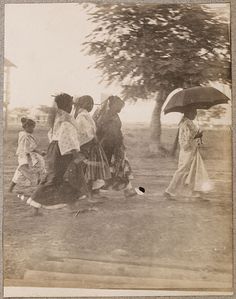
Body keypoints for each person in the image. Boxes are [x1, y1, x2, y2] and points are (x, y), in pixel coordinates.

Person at [24, 93, 88, 215]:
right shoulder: (65, 121)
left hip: (57, 150)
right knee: (56, 178)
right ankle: (35, 206)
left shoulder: (58, 118)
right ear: (66, 105)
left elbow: (52, 136)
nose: (72, 107)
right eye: (70, 104)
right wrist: (76, 154)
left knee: (64, 178)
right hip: (62, 152)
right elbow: (68, 139)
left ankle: (71, 206)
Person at [68, 95, 111, 202]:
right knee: (87, 171)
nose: (91, 106)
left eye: (92, 103)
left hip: (92, 146)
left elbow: (91, 131)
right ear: (84, 104)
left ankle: (93, 193)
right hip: (86, 147)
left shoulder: (86, 115)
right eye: (89, 103)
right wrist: (93, 138)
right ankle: (88, 195)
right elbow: (84, 133)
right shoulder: (81, 117)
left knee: (92, 171)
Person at [165, 107, 213, 199]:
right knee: (183, 170)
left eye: (195, 113)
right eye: (193, 113)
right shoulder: (186, 123)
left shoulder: (187, 122)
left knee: (193, 171)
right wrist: (197, 135)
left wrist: (198, 135)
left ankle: (194, 193)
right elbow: (186, 139)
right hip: (188, 150)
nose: (195, 115)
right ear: (188, 113)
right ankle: (170, 191)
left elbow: (190, 137)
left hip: (191, 150)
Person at [93, 95, 136, 198]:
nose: (121, 108)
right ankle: (96, 191)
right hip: (107, 147)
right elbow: (100, 131)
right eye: (119, 106)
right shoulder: (105, 116)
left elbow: (116, 131)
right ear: (112, 105)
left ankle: (127, 189)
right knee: (105, 169)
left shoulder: (115, 115)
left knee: (121, 167)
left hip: (116, 147)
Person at [9, 117, 46, 193]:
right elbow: (30, 148)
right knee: (22, 170)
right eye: (32, 128)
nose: (33, 130)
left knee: (39, 165)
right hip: (25, 156)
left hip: (26, 155)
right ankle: (11, 187)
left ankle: (38, 182)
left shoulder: (24, 134)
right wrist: (40, 152)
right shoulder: (26, 136)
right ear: (27, 127)